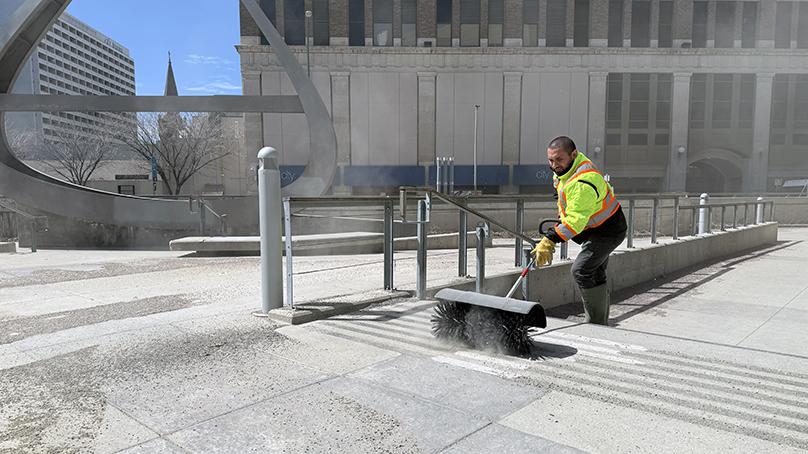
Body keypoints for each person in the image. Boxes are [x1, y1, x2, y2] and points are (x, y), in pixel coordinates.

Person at [531, 136, 627, 325]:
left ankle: (595, 323)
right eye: (550, 160)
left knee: (582, 270)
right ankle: (600, 322)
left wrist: (550, 239)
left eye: (559, 159)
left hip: (608, 231)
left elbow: (575, 221)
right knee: (595, 271)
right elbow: (567, 199)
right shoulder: (567, 170)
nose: (554, 165)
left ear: (573, 154)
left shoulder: (584, 182)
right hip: (594, 228)